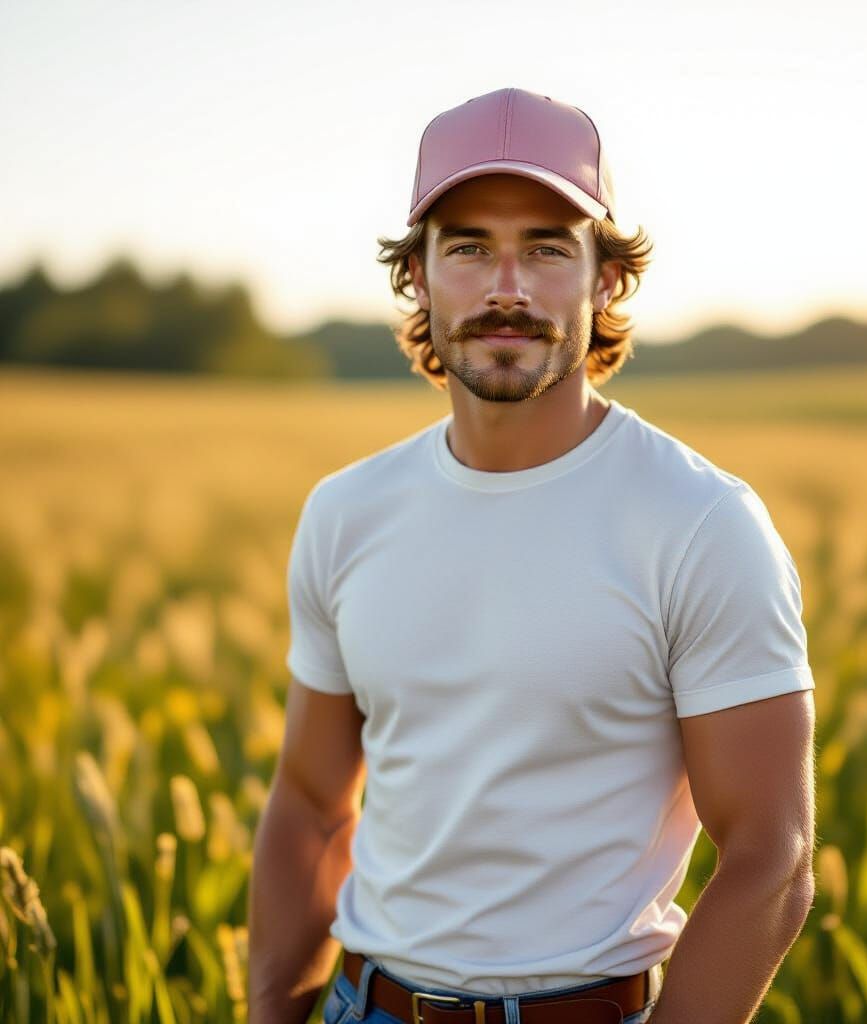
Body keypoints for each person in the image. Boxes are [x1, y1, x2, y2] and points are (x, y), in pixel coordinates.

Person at [248, 86, 817, 1024]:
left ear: (604, 281)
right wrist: (272, 1009)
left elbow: (771, 855)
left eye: (547, 248)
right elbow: (311, 800)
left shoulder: (701, 524)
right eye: (468, 247)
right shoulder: (346, 513)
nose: (504, 286)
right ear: (419, 278)